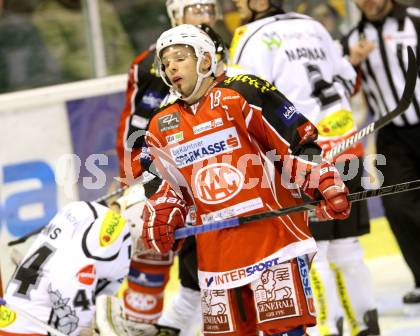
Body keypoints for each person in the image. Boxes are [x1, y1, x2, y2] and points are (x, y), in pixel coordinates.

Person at [140, 23, 351, 335]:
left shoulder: (244, 91)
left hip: (273, 240)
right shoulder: (161, 124)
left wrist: (319, 178)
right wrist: (160, 210)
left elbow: (297, 142)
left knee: (287, 332)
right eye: (166, 61)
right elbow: (162, 182)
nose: (171, 66)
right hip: (216, 257)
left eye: (180, 57)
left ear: (206, 61)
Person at [229, 1, 380, 335]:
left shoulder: (248, 36)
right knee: (348, 249)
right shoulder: (313, 25)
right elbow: (347, 79)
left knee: (317, 252)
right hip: (345, 145)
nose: (237, 4)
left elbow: (242, 99)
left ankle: (329, 330)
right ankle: (367, 327)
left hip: (305, 157)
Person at [113, 1, 222, 335]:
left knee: (204, 270)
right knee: (154, 250)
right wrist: (142, 177)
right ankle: (139, 325)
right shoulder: (150, 65)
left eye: (209, 9)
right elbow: (137, 130)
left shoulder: (221, 48)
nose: (205, 16)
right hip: (169, 173)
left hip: (214, 175)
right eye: (196, 9)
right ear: (176, 15)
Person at [342, 0, 420, 308]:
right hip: (393, 133)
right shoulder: (352, 38)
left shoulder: (419, 22)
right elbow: (344, 88)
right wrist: (352, 63)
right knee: (399, 206)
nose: (367, 2)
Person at [0, 186, 150, 336]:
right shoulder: (116, 229)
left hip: (9, 321)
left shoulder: (79, 208)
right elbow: (68, 277)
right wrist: (83, 326)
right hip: (37, 329)